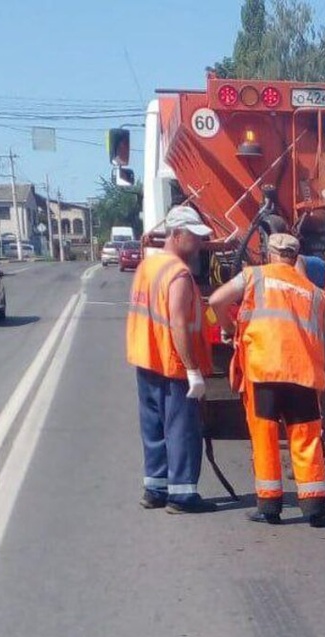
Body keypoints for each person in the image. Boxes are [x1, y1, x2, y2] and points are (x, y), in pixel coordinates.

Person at [208, 232, 325, 527]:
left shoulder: (254, 276)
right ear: (296, 258)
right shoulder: (316, 294)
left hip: (264, 370)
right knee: (306, 441)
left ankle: (269, 507)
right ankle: (316, 509)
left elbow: (217, 300)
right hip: (304, 374)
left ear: (269, 254)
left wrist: (229, 328)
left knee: (265, 439)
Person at [125, 205, 215, 514]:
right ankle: (183, 495)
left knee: (153, 427)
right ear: (176, 235)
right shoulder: (178, 274)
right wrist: (193, 371)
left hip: (146, 359)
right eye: (195, 237)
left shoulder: (147, 267)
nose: (201, 244)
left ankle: (155, 488)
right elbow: (178, 323)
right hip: (173, 364)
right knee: (182, 430)